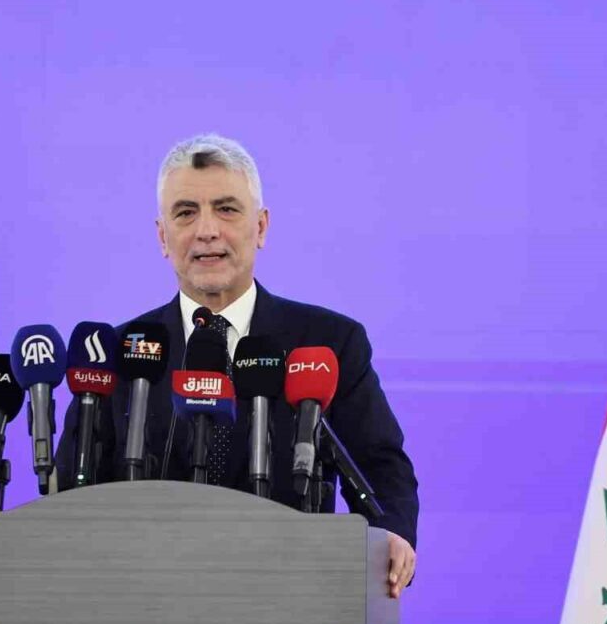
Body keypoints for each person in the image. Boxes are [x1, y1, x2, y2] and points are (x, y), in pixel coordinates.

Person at [57, 134, 418, 597]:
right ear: (163, 237)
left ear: (261, 227)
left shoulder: (328, 342)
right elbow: (72, 490)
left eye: (226, 209)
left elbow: (379, 466)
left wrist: (391, 533)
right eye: (186, 213)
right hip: (141, 602)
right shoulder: (119, 352)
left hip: (290, 599)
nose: (207, 230)